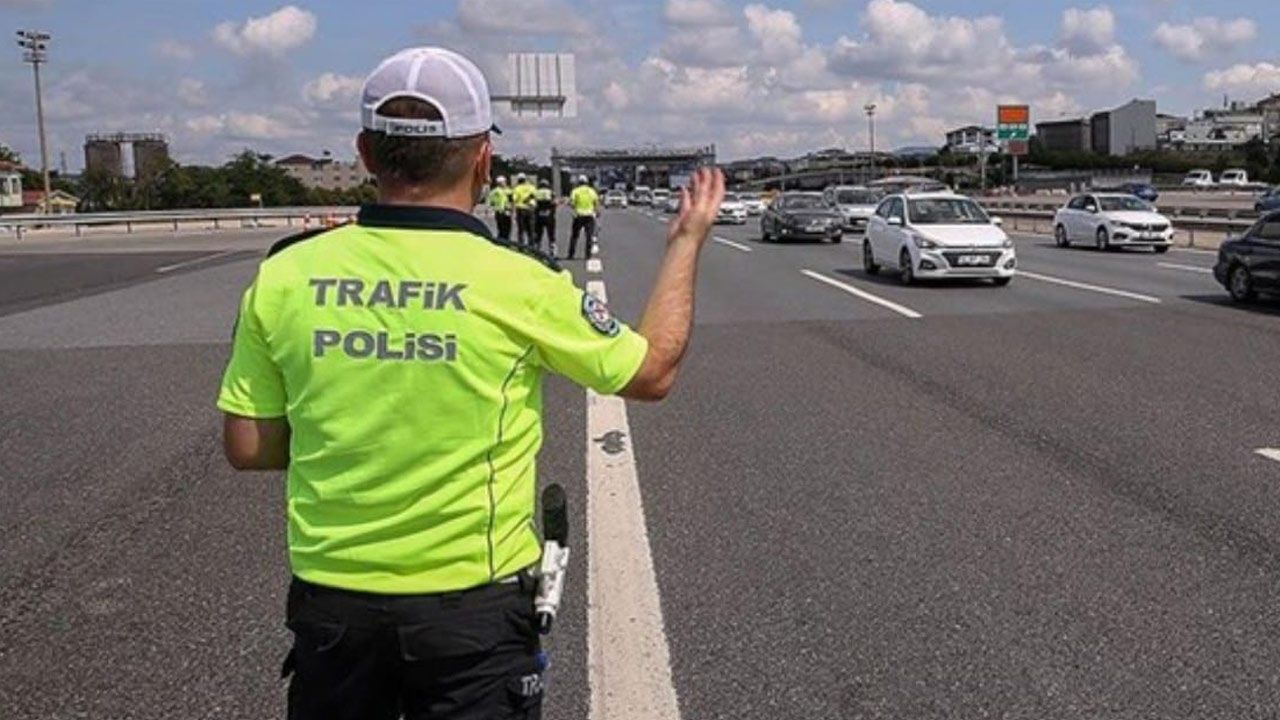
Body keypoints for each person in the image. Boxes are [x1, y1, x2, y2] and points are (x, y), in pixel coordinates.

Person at [216, 45, 724, 720]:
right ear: (484, 159)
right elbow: (651, 371)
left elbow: (248, 446)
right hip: (472, 613)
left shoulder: (284, 275)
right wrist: (686, 243)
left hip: (332, 607)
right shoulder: (520, 281)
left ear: (365, 154)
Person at [568, 175, 599, 261]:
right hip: (589, 215)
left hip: (578, 215)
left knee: (574, 236)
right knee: (589, 236)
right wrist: (597, 212)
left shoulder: (575, 191)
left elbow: (572, 203)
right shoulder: (591, 191)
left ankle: (571, 254)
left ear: (579, 182)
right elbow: (596, 202)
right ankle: (588, 255)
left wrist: (575, 207)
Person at [533, 178, 558, 257]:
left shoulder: (536, 193)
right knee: (551, 234)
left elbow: (533, 204)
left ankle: (537, 250)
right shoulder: (551, 193)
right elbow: (555, 203)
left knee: (538, 234)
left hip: (539, 216)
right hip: (549, 216)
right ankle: (552, 251)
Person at [511, 172, 537, 246]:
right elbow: (535, 196)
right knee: (531, 229)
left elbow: (514, 199)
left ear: (518, 180)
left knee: (521, 230)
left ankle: (521, 246)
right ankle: (531, 246)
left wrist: (513, 211)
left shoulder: (517, 188)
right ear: (525, 179)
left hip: (521, 209)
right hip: (530, 209)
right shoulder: (532, 187)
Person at [488, 175, 512, 240]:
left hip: (503, 211)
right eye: (504, 182)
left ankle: (503, 241)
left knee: (504, 229)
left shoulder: (507, 190)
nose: (505, 183)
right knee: (504, 229)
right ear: (500, 183)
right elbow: (490, 201)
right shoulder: (498, 191)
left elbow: (490, 202)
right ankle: (503, 241)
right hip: (502, 212)